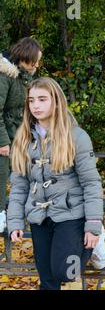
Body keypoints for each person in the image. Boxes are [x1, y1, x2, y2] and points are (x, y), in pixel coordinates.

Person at [7, 77, 105, 290]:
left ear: (56, 101)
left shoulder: (76, 137)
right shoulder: (23, 139)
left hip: (71, 213)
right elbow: (19, 186)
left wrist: (92, 223)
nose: (35, 105)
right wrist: (15, 221)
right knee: (47, 278)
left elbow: (91, 183)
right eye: (31, 100)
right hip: (39, 215)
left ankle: (96, 242)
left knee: (66, 272)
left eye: (42, 99)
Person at [0, 37, 42, 233]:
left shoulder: (23, 76)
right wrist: (3, 141)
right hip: (4, 137)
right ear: (23, 57)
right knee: (1, 174)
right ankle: (1, 216)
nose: (36, 65)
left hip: (16, 135)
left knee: (23, 173)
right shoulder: (4, 74)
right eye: (34, 61)